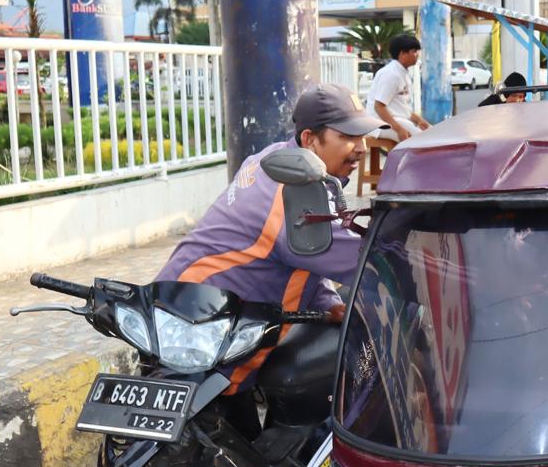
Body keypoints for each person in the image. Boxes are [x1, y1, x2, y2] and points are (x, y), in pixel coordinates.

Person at [154, 84, 381, 392]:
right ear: (310, 140)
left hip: (180, 309)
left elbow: (302, 253)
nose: (361, 147)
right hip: (203, 332)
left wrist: (328, 301)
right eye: (347, 137)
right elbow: (369, 262)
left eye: (362, 136)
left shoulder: (275, 158)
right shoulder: (290, 199)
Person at [368, 34, 431, 142]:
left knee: (431, 132)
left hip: (397, 119)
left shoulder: (403, 73)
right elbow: (379, 107)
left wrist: (419, 120)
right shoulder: (391, 74)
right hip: (379, 123)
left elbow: (403, 109)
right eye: (414, 51)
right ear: (402, 53)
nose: (417, 55)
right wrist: (399, 129)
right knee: (423, 141)